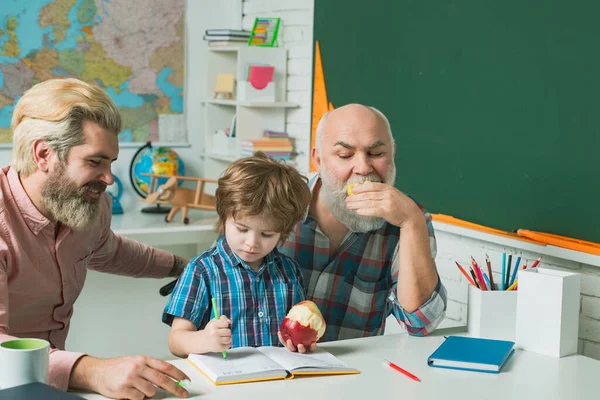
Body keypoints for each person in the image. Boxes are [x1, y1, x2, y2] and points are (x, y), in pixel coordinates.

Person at [0, 78, 191, 399]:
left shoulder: (88, 201)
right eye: (95, 161)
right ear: (44, 154)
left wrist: (188, 267)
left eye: (111, 162)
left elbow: (107, 249)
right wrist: (94, 371)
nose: (109, 179)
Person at [279, 104, 448, 346]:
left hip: (351, 375)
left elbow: (422, 322)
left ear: (392, 153)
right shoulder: (278, 204)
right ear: (318, 159)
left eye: (377, 153)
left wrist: (411, 222)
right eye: (345, 156)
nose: (363, 168)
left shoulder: (409, 218)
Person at [162, 153, 313, 357]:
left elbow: (296, 331)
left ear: (283, 231)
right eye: (242, 229)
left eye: (267, 234)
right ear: (224, 217)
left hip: (280, 383)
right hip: (226, 383)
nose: (252, 243)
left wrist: (301, 343)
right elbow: (176, 340)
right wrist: (204, 339)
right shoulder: (202, 270)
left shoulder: (289, 272)